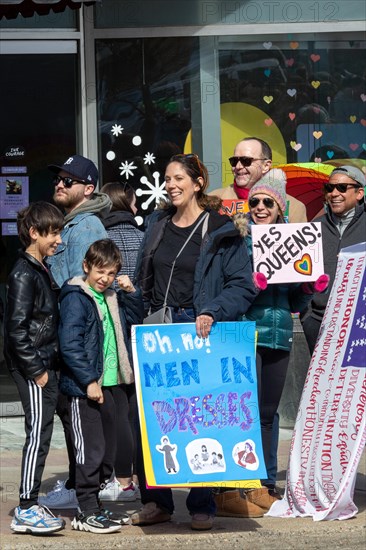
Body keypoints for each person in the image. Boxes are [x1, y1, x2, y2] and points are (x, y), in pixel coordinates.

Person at [132, 153, 257, 531]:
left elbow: (243, 284)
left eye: (177, 178)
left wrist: (213, 310)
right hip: (157, 328)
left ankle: (202, 502)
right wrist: (131, 292)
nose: (170, 184)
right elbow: (144, 277)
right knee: (151, 418)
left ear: (198, 183)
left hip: (198, 328)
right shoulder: (157, 224)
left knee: (199, 419)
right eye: (166, 178)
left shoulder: (221, 229)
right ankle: (158, 501)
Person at [215, 171, 327, 518]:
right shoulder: (240, 239)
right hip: (246, 333)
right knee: (244, 414)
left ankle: (264, 483)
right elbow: (228, 288)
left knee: (267, 415)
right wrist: (253, 284)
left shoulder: (291, 241)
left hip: (278, 334)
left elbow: (292, 299)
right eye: (256, 202)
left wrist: (309, 286)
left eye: (268, 203)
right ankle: (243, 483)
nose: (260, 207)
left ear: (280, 209)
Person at [40, 154, 111, 510]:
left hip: (76, 338)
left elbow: (85, 289)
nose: (60, 184)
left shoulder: (86, 229)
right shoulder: (70, 225)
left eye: (69, 181)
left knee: (78, 416)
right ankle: (81, 481)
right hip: (68, 336)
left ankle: (84, 488)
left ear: (88, 188)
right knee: (73, 416)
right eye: (58, 179)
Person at [58, 239, 143, 534]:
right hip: (85, 388)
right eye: (100, 272)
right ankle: (85, 510)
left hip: (111, 383)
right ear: (86, 267)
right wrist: (88, 381)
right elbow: (70, 344)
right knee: (90, 452)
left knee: (108, 450)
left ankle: (96, 507)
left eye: (110, 273)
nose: (105, 278)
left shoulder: (111, 297)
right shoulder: (76, 298)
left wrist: (132, 293)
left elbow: (135, 320)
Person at [4, 202, 65, 535]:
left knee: (42, 433)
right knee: (38, 434)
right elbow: (16, 328)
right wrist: (36, 370)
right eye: (52, 232)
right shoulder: (23, 272)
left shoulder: (40, 267)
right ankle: (26, 507)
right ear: (34, 233)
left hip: (44, 361)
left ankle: (30, 502)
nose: (58, 239)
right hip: (34, 365)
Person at [97, 182, 143, 501]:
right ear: (125, 202)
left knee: (120, 406)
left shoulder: (101, 240)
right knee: (137, 408)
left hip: (114, 332)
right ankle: (138, 474)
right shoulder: (146, 238)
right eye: (134, 198)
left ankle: (121, 476)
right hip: (143, 328)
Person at [301, 165, 366, 355]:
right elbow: (301, 275)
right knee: (323, 384)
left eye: (342, 188)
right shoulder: (313, 227)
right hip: (319, 323)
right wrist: (309, 319)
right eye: (330, 188)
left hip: (359, 325)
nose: (334, 193)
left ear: (359, 193)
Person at [209, 137, 307, 223]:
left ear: (266, 166)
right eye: (234, 161)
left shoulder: (294, 207)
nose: (238, 166)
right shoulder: (212, 200)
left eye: (246, 161)